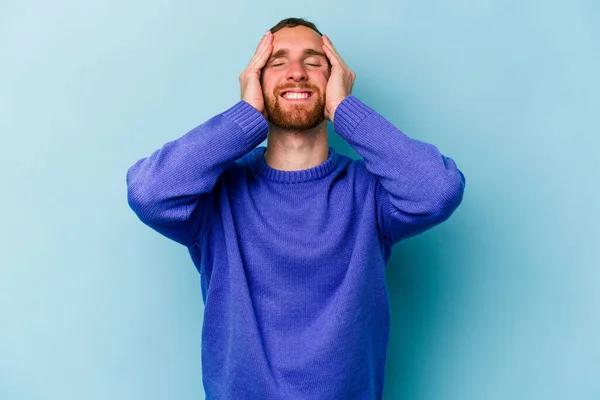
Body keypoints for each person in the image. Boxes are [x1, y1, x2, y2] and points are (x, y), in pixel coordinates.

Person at [126, 17, 466, 400]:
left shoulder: (369, 194)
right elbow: (148, 192)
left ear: (335, 76)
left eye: (314, 62)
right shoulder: (217, 195)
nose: (296, 73)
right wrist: (246, 116)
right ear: (255, 79)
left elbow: (439, 190)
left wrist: (346, 110)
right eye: (277, 62)